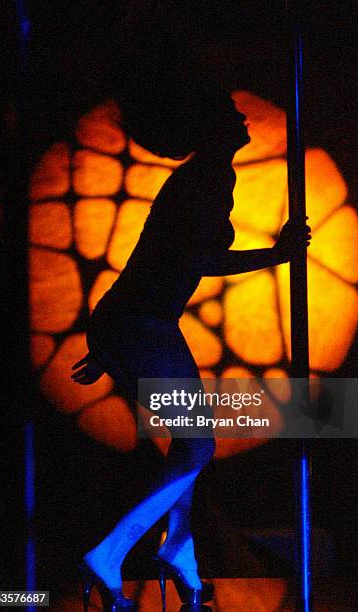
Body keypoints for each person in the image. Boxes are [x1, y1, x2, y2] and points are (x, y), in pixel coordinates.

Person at [70, 33, 311, 612]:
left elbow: (162, 259)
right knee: (196, 449)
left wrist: (109, 341)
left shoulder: (208, 178)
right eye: (228, 112)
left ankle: (180, 551)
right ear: (209, 127)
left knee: (188, 445)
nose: (241, 116)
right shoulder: (205, 180)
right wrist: (275, 257)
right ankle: (111, 553)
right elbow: (193, 260)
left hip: (139, 322)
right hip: (140, 323)